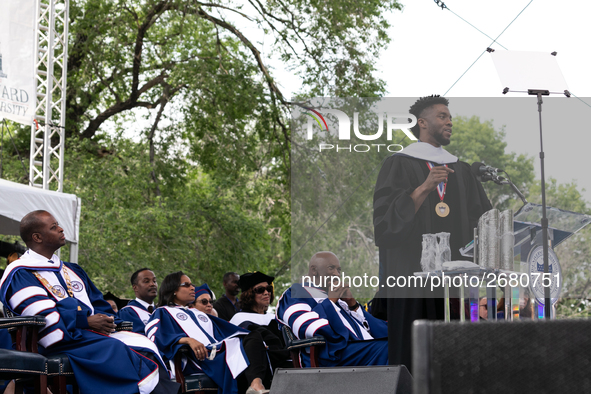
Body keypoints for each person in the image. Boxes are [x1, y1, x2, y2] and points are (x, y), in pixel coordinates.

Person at [373, 95, 492, 370]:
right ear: (422, 123)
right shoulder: (398, 164)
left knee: (456, 359)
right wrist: (424, 187)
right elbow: (385, 228)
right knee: (416, 358)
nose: (449, 121)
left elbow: (482, 221)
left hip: (455, 286)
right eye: (442, 116)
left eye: (450, 117)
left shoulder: (461, 170)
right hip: (412, 285)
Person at [0, 210, 178, 394]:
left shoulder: (72, 270)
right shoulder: (20, 273)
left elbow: (99, 304)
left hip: (87, 335)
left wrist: (107, 321)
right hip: (56, 340)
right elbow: (42, 317)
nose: (61, 229)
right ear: (37, 237)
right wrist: (85, 321)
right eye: (54, 227)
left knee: (146, 346)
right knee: (117, 350)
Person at [276, 252, 389, 368]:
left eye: (339, 270)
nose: (336, 274)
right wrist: (330, 302)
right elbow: (311, 329)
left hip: (358, 351)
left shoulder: (338, 300)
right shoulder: (296, 293)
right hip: (330, 356)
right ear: (314, 270)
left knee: (401, 344)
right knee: (391, 349)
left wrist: (352, 305)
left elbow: (375, 330)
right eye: (331, 268)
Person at [146, 272, 251, 394]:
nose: (192, 288)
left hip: (217, 352)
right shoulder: (163, 312)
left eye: (192, 284)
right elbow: (155, 337)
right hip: (199, 359)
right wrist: (187, 340)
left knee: (252, 336)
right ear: (173, 289)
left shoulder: (198, 313)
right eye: (186, 285)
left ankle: (256, 385)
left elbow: (223, 333)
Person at [230, 272, 291, 392]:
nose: (266, 292)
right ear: (249, 294)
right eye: (260, 290)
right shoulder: (239, 319)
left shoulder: (275, 319)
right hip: (258, 369)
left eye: (268, 289)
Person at [119, 268, 158, 334]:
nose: (152, 284)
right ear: (135, 287)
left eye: (154, 281)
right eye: (146, 281)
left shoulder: (161, 311)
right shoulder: (128, 312)